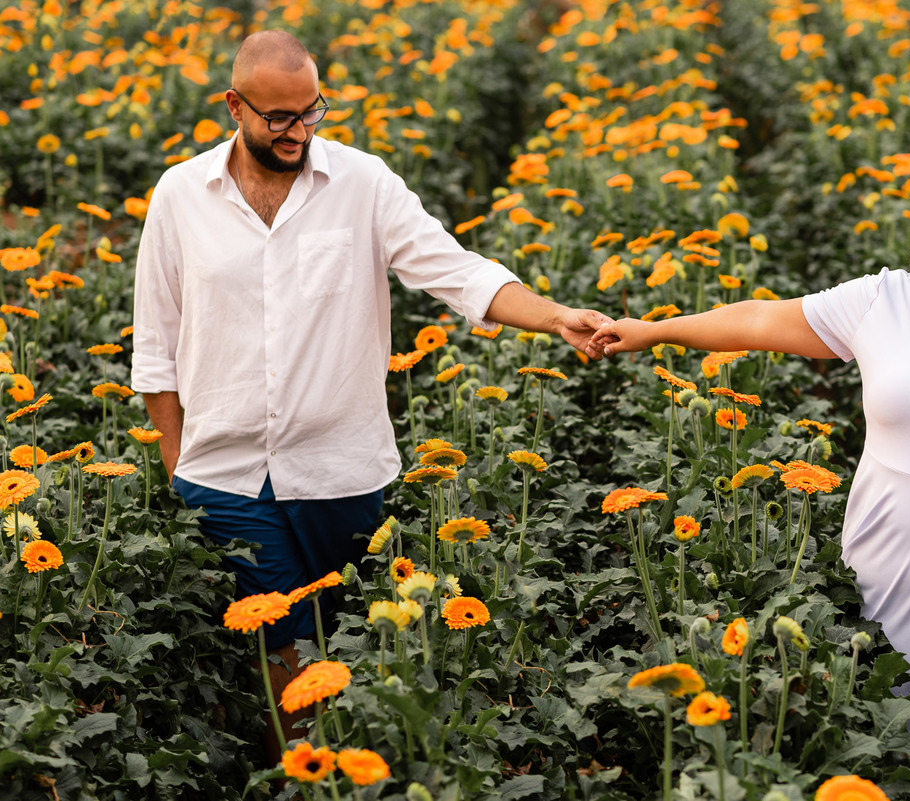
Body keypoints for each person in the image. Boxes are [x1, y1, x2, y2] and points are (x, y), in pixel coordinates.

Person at [130, 30, 611, 760]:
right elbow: (156, 341)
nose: (299, 132)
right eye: (279, 118)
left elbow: (456, 271)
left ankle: (343, 766)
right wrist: (176, 464)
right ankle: (304, 774)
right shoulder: (180, 195)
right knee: (284, 648)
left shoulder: (362, 184)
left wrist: (556, 317)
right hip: (224, 473)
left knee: (345, 640)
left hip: (340, 470)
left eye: (312, 111)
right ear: (234, 106)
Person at [590, 142, 910, 799]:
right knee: (889, 748)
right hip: (892, 573)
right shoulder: (881, 304)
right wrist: (653, 329)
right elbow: (758, 317)